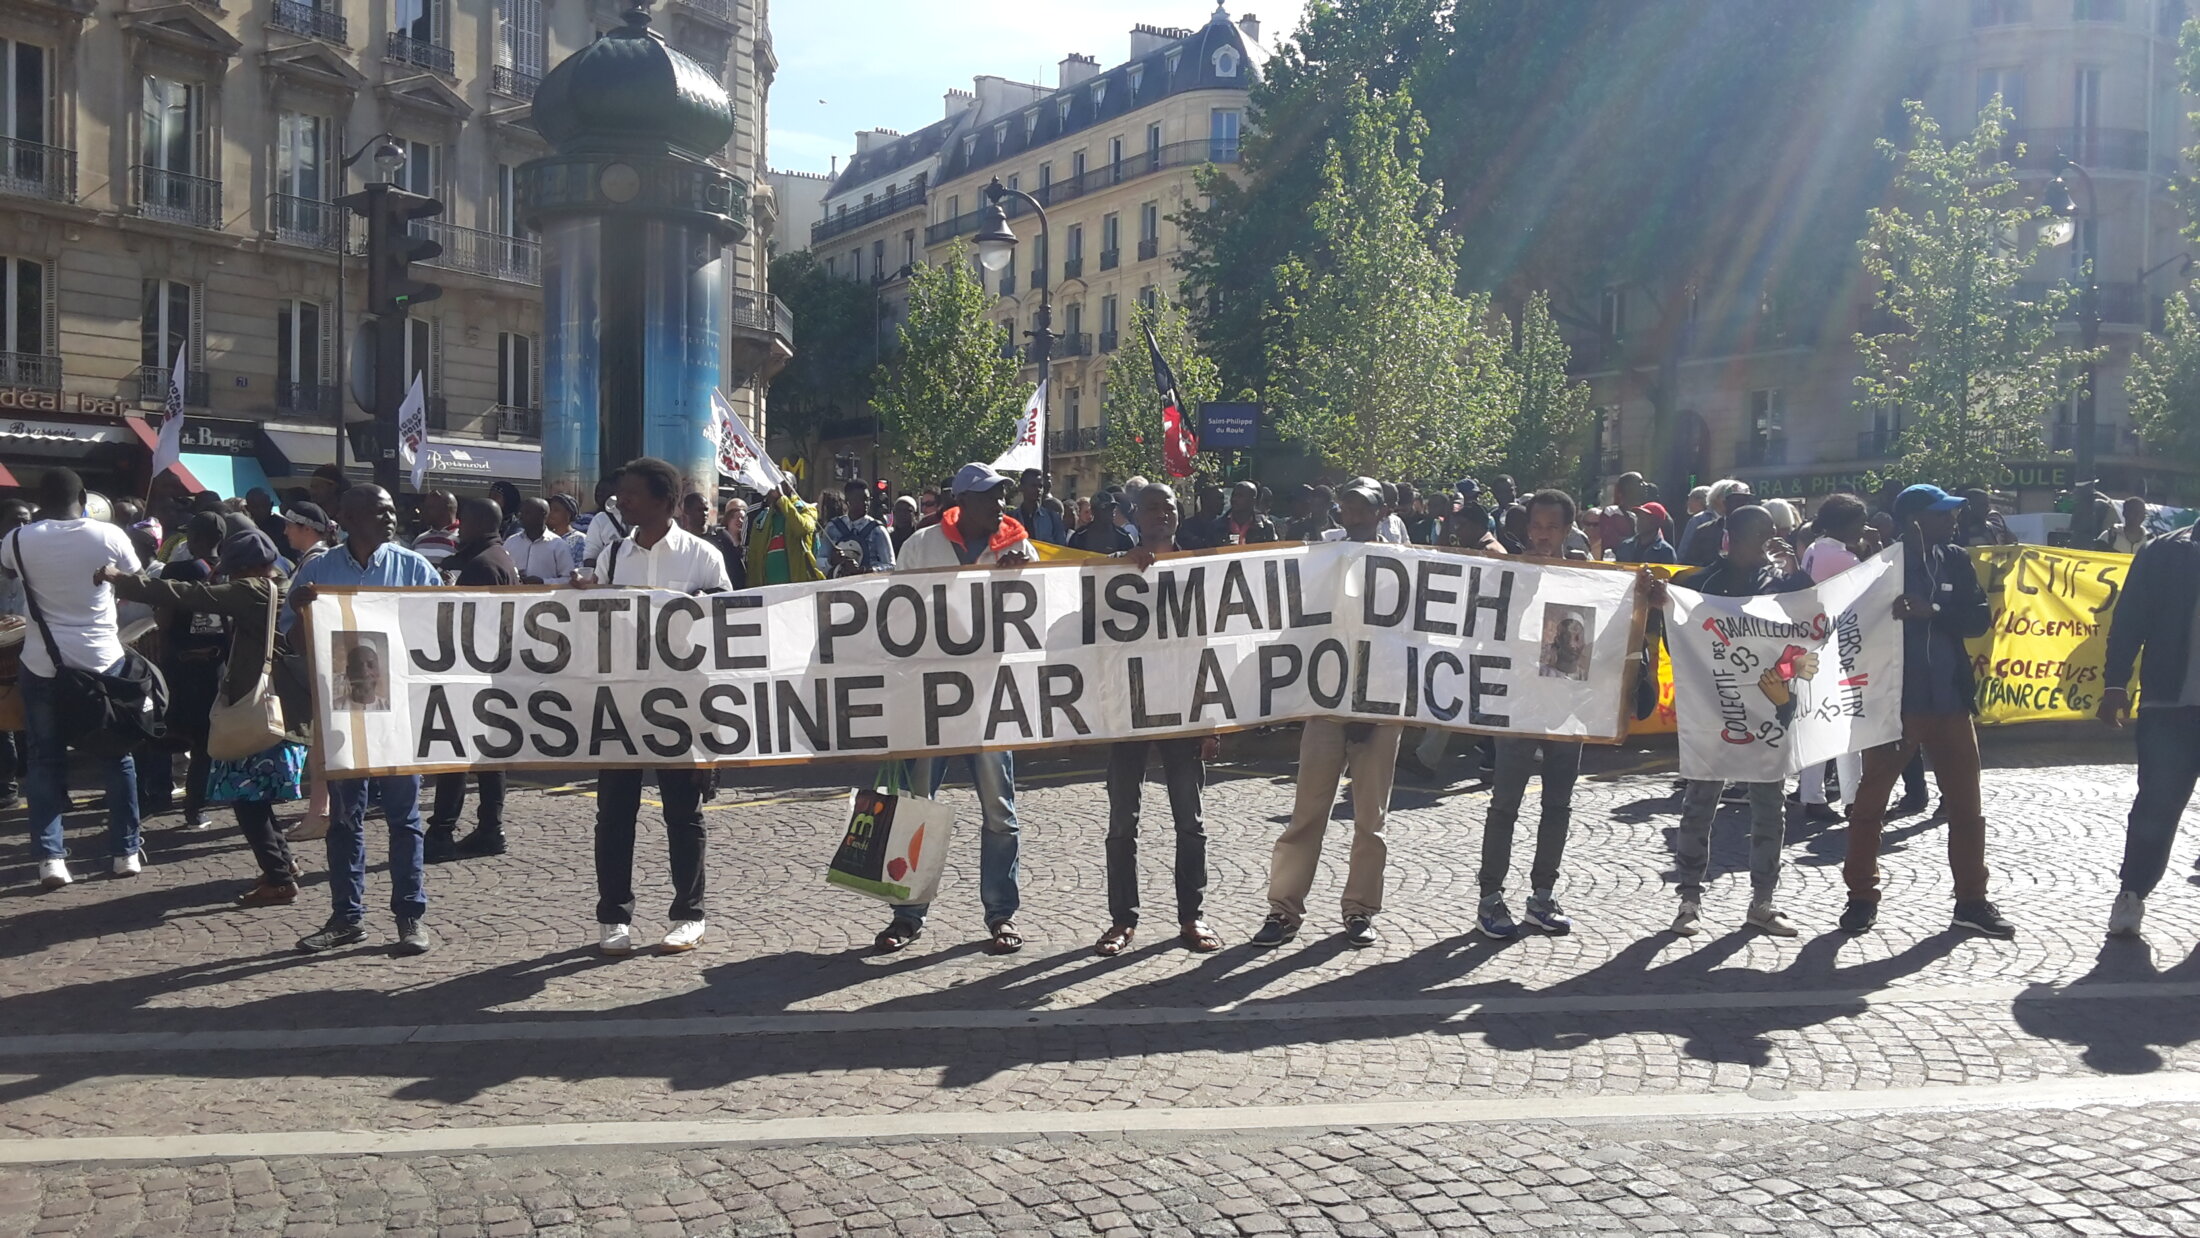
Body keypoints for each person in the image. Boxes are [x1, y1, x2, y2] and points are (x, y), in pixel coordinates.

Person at [875, 462, 1035, 955]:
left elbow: (1037, 616)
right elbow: (897, 615)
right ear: (961, 502)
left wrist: (1020, 579)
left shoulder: (1018, 547)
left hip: (989, 698)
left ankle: (1001, 913)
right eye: (990, 496)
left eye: (1003, 495)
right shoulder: (921, 546)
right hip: (932, 700)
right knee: (917, 807)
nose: (1000, 504)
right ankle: (907, 915)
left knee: (1000, 813)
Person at [1838, 484, 2011, 938]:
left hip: (1950, 702)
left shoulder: (1955, 559)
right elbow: (1849, 628)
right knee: (1870, 805)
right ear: (1914, 521)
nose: (1953, 520)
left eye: (1952, 513)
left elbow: (1978, 619)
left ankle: (1971, 900)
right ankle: (1861, 897)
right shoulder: (1880, 567)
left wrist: (1932, 610)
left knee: (1967, 807)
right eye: (1942, 514)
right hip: (1895, 706)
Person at [102, 530, 305, 907]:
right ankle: (284, 863)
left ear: (244, 569)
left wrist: (120, 579)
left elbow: (186, 594)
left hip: (255, 708)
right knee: (258, 795)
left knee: (245, 795)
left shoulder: (252, 590)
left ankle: (279, 879)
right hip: (284, 706)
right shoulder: (286, 584)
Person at [584, 457, 731, 955]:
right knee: (613, 814)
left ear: (664, 501)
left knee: (683, 814)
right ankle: (613, 917)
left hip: (681, 706)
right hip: (620, 702)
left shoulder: (703, 557)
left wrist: (712, 723)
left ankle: (689, 914)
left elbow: (723, 636)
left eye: (631, 493)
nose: (621, 501)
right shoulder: (611, 557)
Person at [286, 485, 441, 956]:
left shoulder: (414, 567)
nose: (391, 518)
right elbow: (293, 641)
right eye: (380, 511)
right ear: (348, 517)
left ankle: (410, 915)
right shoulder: (318, 570)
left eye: (392, 511)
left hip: (399, 715)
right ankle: (346, 917)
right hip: (344, 714)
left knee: (404, 819)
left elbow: (442, 631)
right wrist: (303, 611)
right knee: (344, 819)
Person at [1253, 477, 1401, 949]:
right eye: (1346, 508)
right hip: (1327, 701)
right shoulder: (1321, 558)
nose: (1351, 516)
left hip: (1380, 705)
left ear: (1381, 513)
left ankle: (1360, 909)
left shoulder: (1402, 565)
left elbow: (1404, 637)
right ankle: (1283, 909)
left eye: (1361, 509)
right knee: (1306, 813)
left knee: (1370, 819)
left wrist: (1373, 704)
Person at [1658, 504, 1814, 937]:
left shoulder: (1783, 582)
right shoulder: (1698, 584)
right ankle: (1689, 900)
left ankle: (1763, 901)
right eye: (1758, 536)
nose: (1768, 544)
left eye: (1772, 534)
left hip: (1768, 707)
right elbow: (1677, 645)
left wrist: (1797, 573)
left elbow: (1814, 624)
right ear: (1733, 538)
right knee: (1699, 804)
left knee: (1769, 808)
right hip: (1716, 708)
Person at [1095, 484, 1224, 957]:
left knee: (1190, 821)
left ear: (1178, 515)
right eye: (1152, 507)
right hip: (1127, 709)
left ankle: (1192, 916)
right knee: (1121, 822)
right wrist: (1121, 566)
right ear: (1136, 515)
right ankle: (1122, 920)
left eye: (1168, 506)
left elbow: (1208, 643)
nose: (1162, 514)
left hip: (1183, 707)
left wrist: (1211, 718)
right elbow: (1085, 625)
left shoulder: (1196, 569)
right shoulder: (1112, 569)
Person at [2, 469, 145, 890]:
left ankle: (51, 860)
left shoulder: (18, 539)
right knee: (117, 756)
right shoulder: (110, 535)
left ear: (40, 499)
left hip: (42, 663)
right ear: (83, 497)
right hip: (103, 662)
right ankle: (125, 852)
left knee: (44, 761)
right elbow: (136, 581)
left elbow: (8, 572)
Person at [1474, 489, 1595, 940]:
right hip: (1518, 705)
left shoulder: (1587, 578)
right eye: (1536, 526)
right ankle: (1490, 897)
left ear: (1568, 530)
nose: (1543, 535)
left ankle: (1543, 895)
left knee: (1557, 806)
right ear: (1527, 528)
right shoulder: (1511, 575)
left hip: (1566, 707)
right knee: (1505, 804)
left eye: (1552, 527)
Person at [2098, 514, 2200, 936]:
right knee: (2155, 806)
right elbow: (2129, 620)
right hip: (2169, 704)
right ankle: (2132, 893)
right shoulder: (2163, 552)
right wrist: (2114, 684)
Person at [424, 499, 518, 863]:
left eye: (465, 523)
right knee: (489, 755)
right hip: (495, 671)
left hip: (472, 670)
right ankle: (490, 827)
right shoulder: (501, 558)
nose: (460, 529)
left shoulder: (481, 566)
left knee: (456, 752)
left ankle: (441, 831)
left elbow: (465, 622)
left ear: (478, 523)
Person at [145, 512, 228, 831]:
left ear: (197, 539)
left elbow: (163, 621)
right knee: (206, 741)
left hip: (177, 667)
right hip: (216, 668)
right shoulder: (230, 572)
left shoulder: (177, 571)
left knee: (162, 732)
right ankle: (196, 808)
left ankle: (156, 795)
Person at [1795, 494, 1871, 824]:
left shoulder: (1815, 549)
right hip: (1835, 647)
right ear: (1843, 524)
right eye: (1859, 523)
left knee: (1821, 721)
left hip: (1814, 644)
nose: (1863, 529)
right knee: (1845, 726)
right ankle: (1846, 796)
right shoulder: (1843, 558)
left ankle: (1819, 794)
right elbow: (1869, 593)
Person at [745, 478, 824, 585]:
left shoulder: (806, 509)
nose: (775, 488)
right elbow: (754, 558)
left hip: (798, 586)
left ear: (792, 488)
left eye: (782, 484)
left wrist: (782, 500)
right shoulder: (761, 519)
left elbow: (803, 529)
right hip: (768, 588)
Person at [823, 480, 895, 576]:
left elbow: (891, 566)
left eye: (868, 499)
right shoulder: (833, 527)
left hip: (868, 583)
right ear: (848, 501)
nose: (865, 503)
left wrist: (866, 570)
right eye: (860, 499)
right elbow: (820, 560)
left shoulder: (877, 530)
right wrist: (831, 561)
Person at [509, 496, 573, 586]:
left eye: (527, 513)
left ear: (543, 515)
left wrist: (543, 582)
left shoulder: (558, 545)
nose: (521, 517)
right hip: (515, 594)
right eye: (521, 513)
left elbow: (568, 579)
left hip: (547, 595)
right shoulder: (511, 542)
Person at [579, 474, 628, 573]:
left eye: (604, 490)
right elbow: (589, 558)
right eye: (597, 491)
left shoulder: (645, 518)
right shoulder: (600, 519)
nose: (599, 494)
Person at [1013, 469, 1068, 545]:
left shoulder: (1052, 518)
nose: (1038, 489)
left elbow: (1061, 546)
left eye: (1040, 486)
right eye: (1033, 485)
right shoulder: (1012, 518)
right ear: (1021, 487)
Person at [281, 502, 336, 573]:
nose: (285, 532)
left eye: (289, 526)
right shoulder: (314, 559)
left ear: (307, 529)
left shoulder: (317, 562)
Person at [708, 495, 750, 589]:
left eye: (743, 518)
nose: (740, 521)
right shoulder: (715, 539)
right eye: (734, 516)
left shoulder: (749, 543)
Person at [1174, 485, 1230, 550]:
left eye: (1223, 499)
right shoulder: (1187, 526)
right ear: (1206, 500)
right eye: (1219, 499)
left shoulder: (1225, 526)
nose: (1223, 503)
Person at [546, 492, 587, 567]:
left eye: (556, 510)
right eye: (549, 509)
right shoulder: (545, 537)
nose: (550, 513)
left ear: (569, 514)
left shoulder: (580, 539)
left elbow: (581, 567)